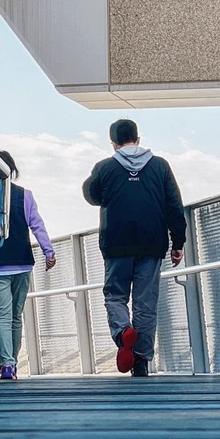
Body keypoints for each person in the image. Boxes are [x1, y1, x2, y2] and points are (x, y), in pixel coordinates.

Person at [82, 119, 186, 377]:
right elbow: (174, 204)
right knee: (145, 303)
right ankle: (140, 360)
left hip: (116, 243)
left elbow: (91, 195)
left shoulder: (105, 167)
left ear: (114, 144)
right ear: (138, 139)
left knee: (115, 295)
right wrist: (178, 242)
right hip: (152, 243)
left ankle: (122, 331)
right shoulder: (160, 166)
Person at [0, 150, 56, 380]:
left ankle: (7, 364)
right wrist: (49, 251)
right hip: (22, 263)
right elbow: (37, 225)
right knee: (15, 316)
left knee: (3, 316)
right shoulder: (24, 196)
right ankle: (12, 364)